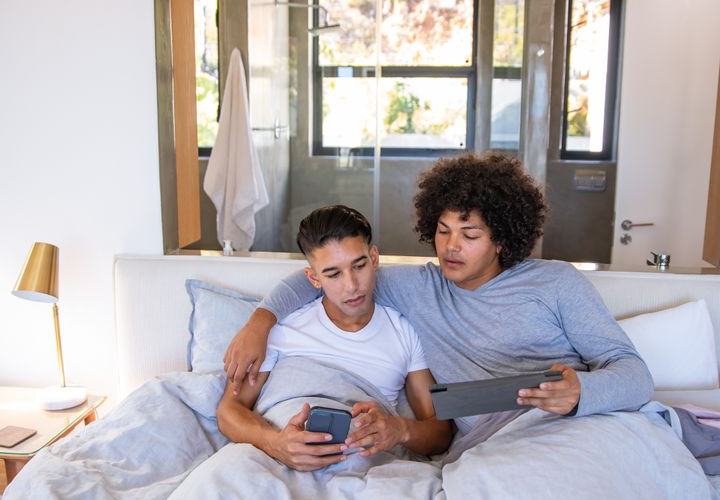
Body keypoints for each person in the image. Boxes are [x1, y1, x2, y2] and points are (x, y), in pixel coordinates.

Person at [224, 153, 654, 444]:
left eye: (470, 235)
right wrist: (259, 322)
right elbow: (327, 276)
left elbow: (635, 375)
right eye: (443, 230)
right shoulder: (418, 287)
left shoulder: (557, 282)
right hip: (493, 447)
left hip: (574, 427)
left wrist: (581, 391)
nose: (450, 247)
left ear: (503, 238)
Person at [217, 204, 451, 471]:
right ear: (313, 278)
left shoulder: (404, 332)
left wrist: (401, 430)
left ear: (374, 259)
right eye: (333, 274)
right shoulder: (283, 328)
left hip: (362, 468)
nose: (352, 286)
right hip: (275, 461)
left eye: (359, 266)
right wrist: (274, 444)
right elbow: (229, 410)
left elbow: (440, 432)